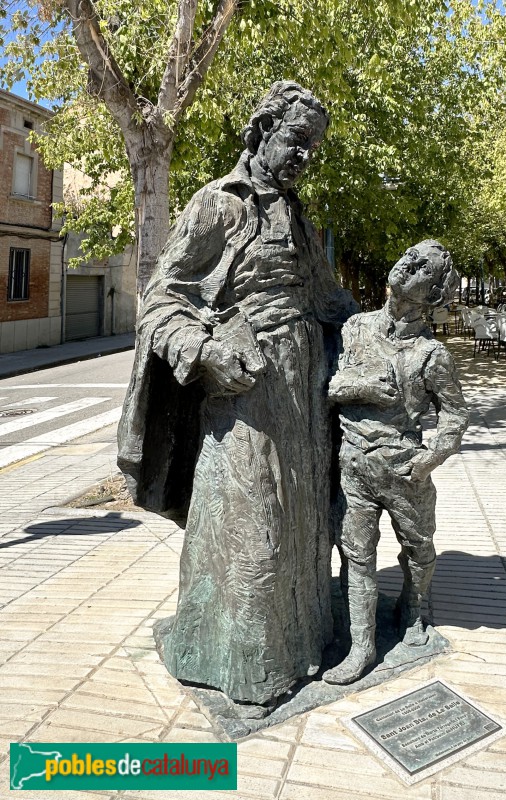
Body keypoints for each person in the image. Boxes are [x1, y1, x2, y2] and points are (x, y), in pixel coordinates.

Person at [118, 82, 357, 710]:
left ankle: (303, 644)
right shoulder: (216, 206)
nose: (306, 158)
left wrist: (385, 334)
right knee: (255, 534)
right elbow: (160, 302)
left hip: (305, 394)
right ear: (262, 130)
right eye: (298, 143)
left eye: (314, 149)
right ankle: (243, 666)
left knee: (303, 529)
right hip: (245, 395)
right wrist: (204, 352)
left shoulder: (301, 217)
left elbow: (332, 303)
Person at [322, 240, 469, 685]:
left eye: (424, 265)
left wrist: (429, 460)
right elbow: (330, 386)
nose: (409, 263)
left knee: (419, 550)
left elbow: (455, 414)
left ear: (434, 294)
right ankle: (362, 647)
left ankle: (413, 606)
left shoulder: (432, 354)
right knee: (356, 556)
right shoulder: (356, 328)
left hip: (406, 471)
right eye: (410, 255)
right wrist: (362, 386)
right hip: (355, 463)